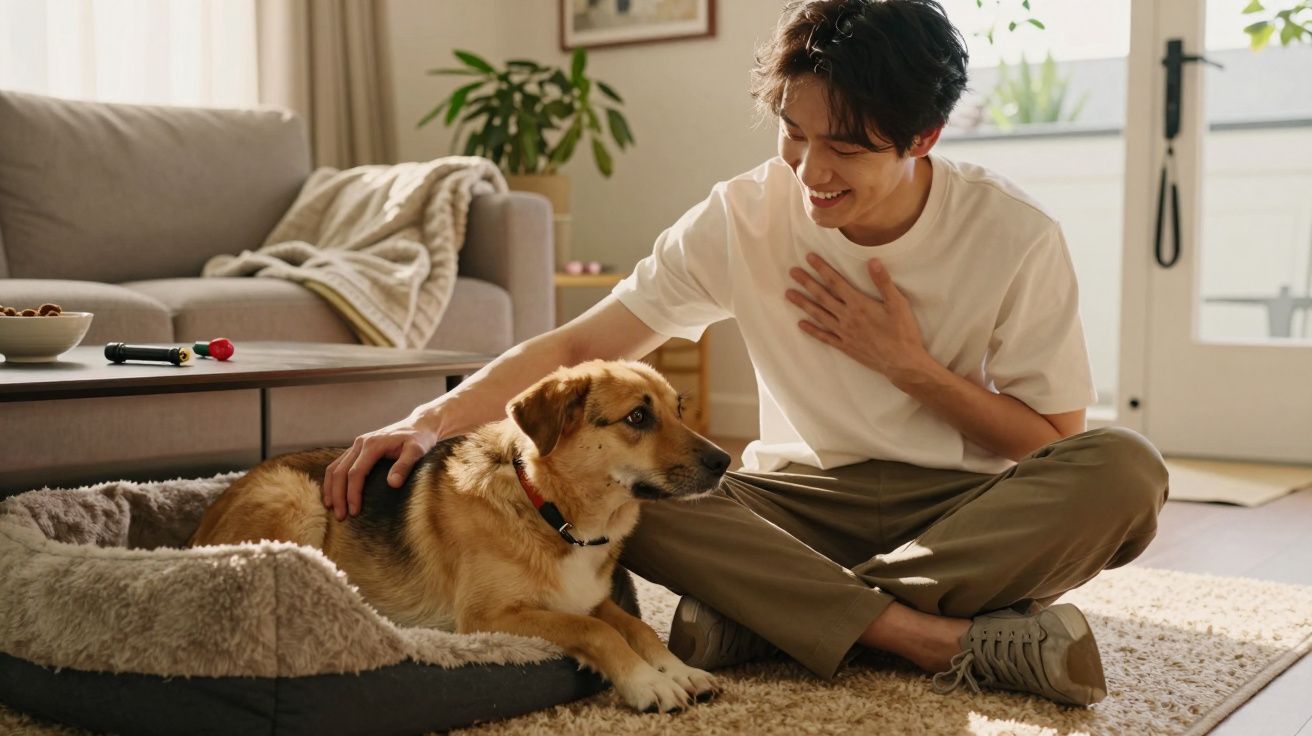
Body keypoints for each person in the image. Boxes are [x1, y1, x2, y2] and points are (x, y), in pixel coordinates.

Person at [322, 0, 1167, 707]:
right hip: (791, 505)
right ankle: (920, 636)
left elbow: (1052, 443)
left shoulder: (1013, 235)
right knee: (622, 488)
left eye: (846, 148)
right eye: (793, 134)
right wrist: (428, 420)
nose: (810, 172)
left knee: (1126, 471)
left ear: (924, 137)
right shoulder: (741, 217)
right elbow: (584, 345)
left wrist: (911, 368)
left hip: (961, 510)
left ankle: (772, 615)